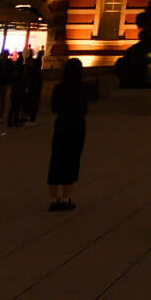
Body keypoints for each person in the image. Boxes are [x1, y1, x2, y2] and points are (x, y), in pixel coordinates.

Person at [47, 59, 88, 210]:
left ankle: (53, 198)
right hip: (77, 126)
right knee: (72, 160)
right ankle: (66, 197)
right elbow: (85, 108)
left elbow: (54, 108)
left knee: (56, 160)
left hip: (61, 125)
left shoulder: (58, 88)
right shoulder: (82, 88)